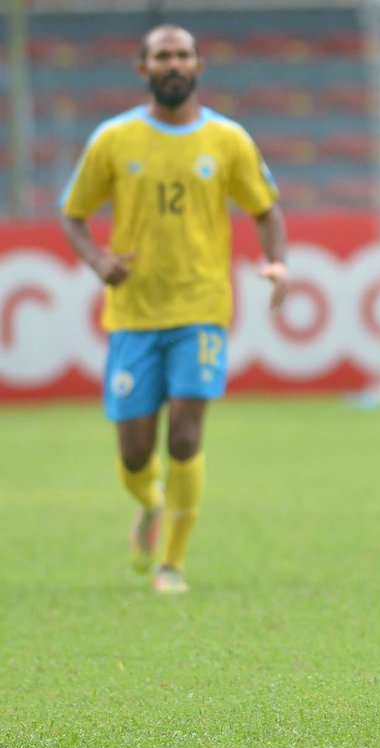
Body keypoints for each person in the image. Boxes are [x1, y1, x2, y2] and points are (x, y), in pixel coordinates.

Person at [59, 24, 289, 594]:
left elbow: (265, 208)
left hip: (202, 309)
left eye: (182, 54)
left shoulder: (228, 139)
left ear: (199, 65)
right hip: (133, 315)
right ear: (143, 67)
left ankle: (172, 564)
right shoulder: (113, 139)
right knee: (135, 453)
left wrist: (276, 262)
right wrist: (97, 261)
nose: (173, 64)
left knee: (185, 437)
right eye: (162, 55)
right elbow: (73, 213)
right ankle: (150, 504)